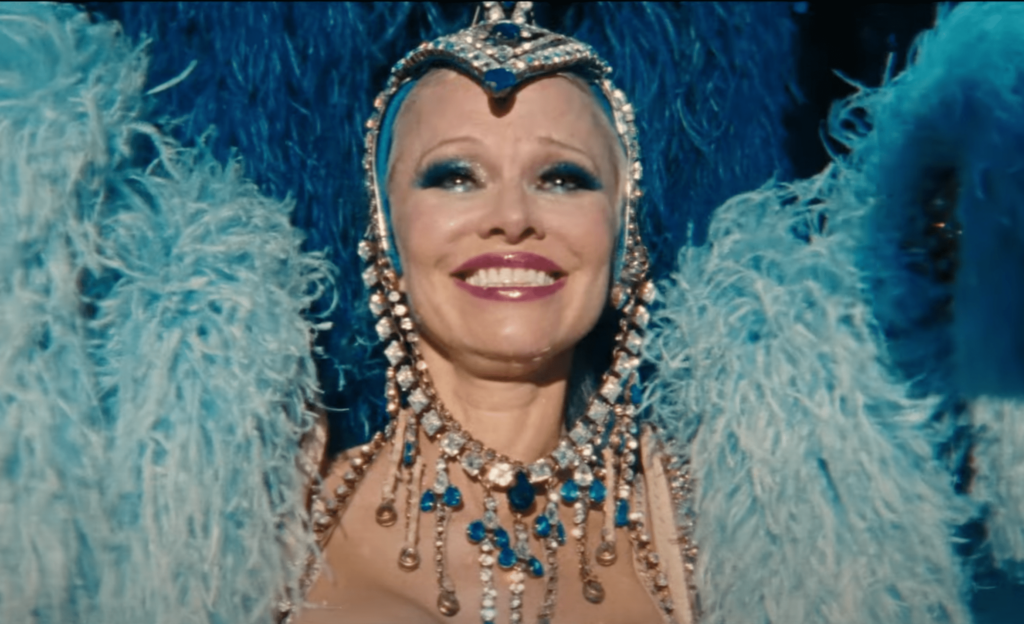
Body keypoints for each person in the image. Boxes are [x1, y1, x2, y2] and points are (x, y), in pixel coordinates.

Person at [2, 2, 1024, 624]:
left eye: (565, 177)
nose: (511, 218)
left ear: (624, 242)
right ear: (385, 241)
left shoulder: (731, 516)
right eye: (452, 176)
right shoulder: (262, 508)